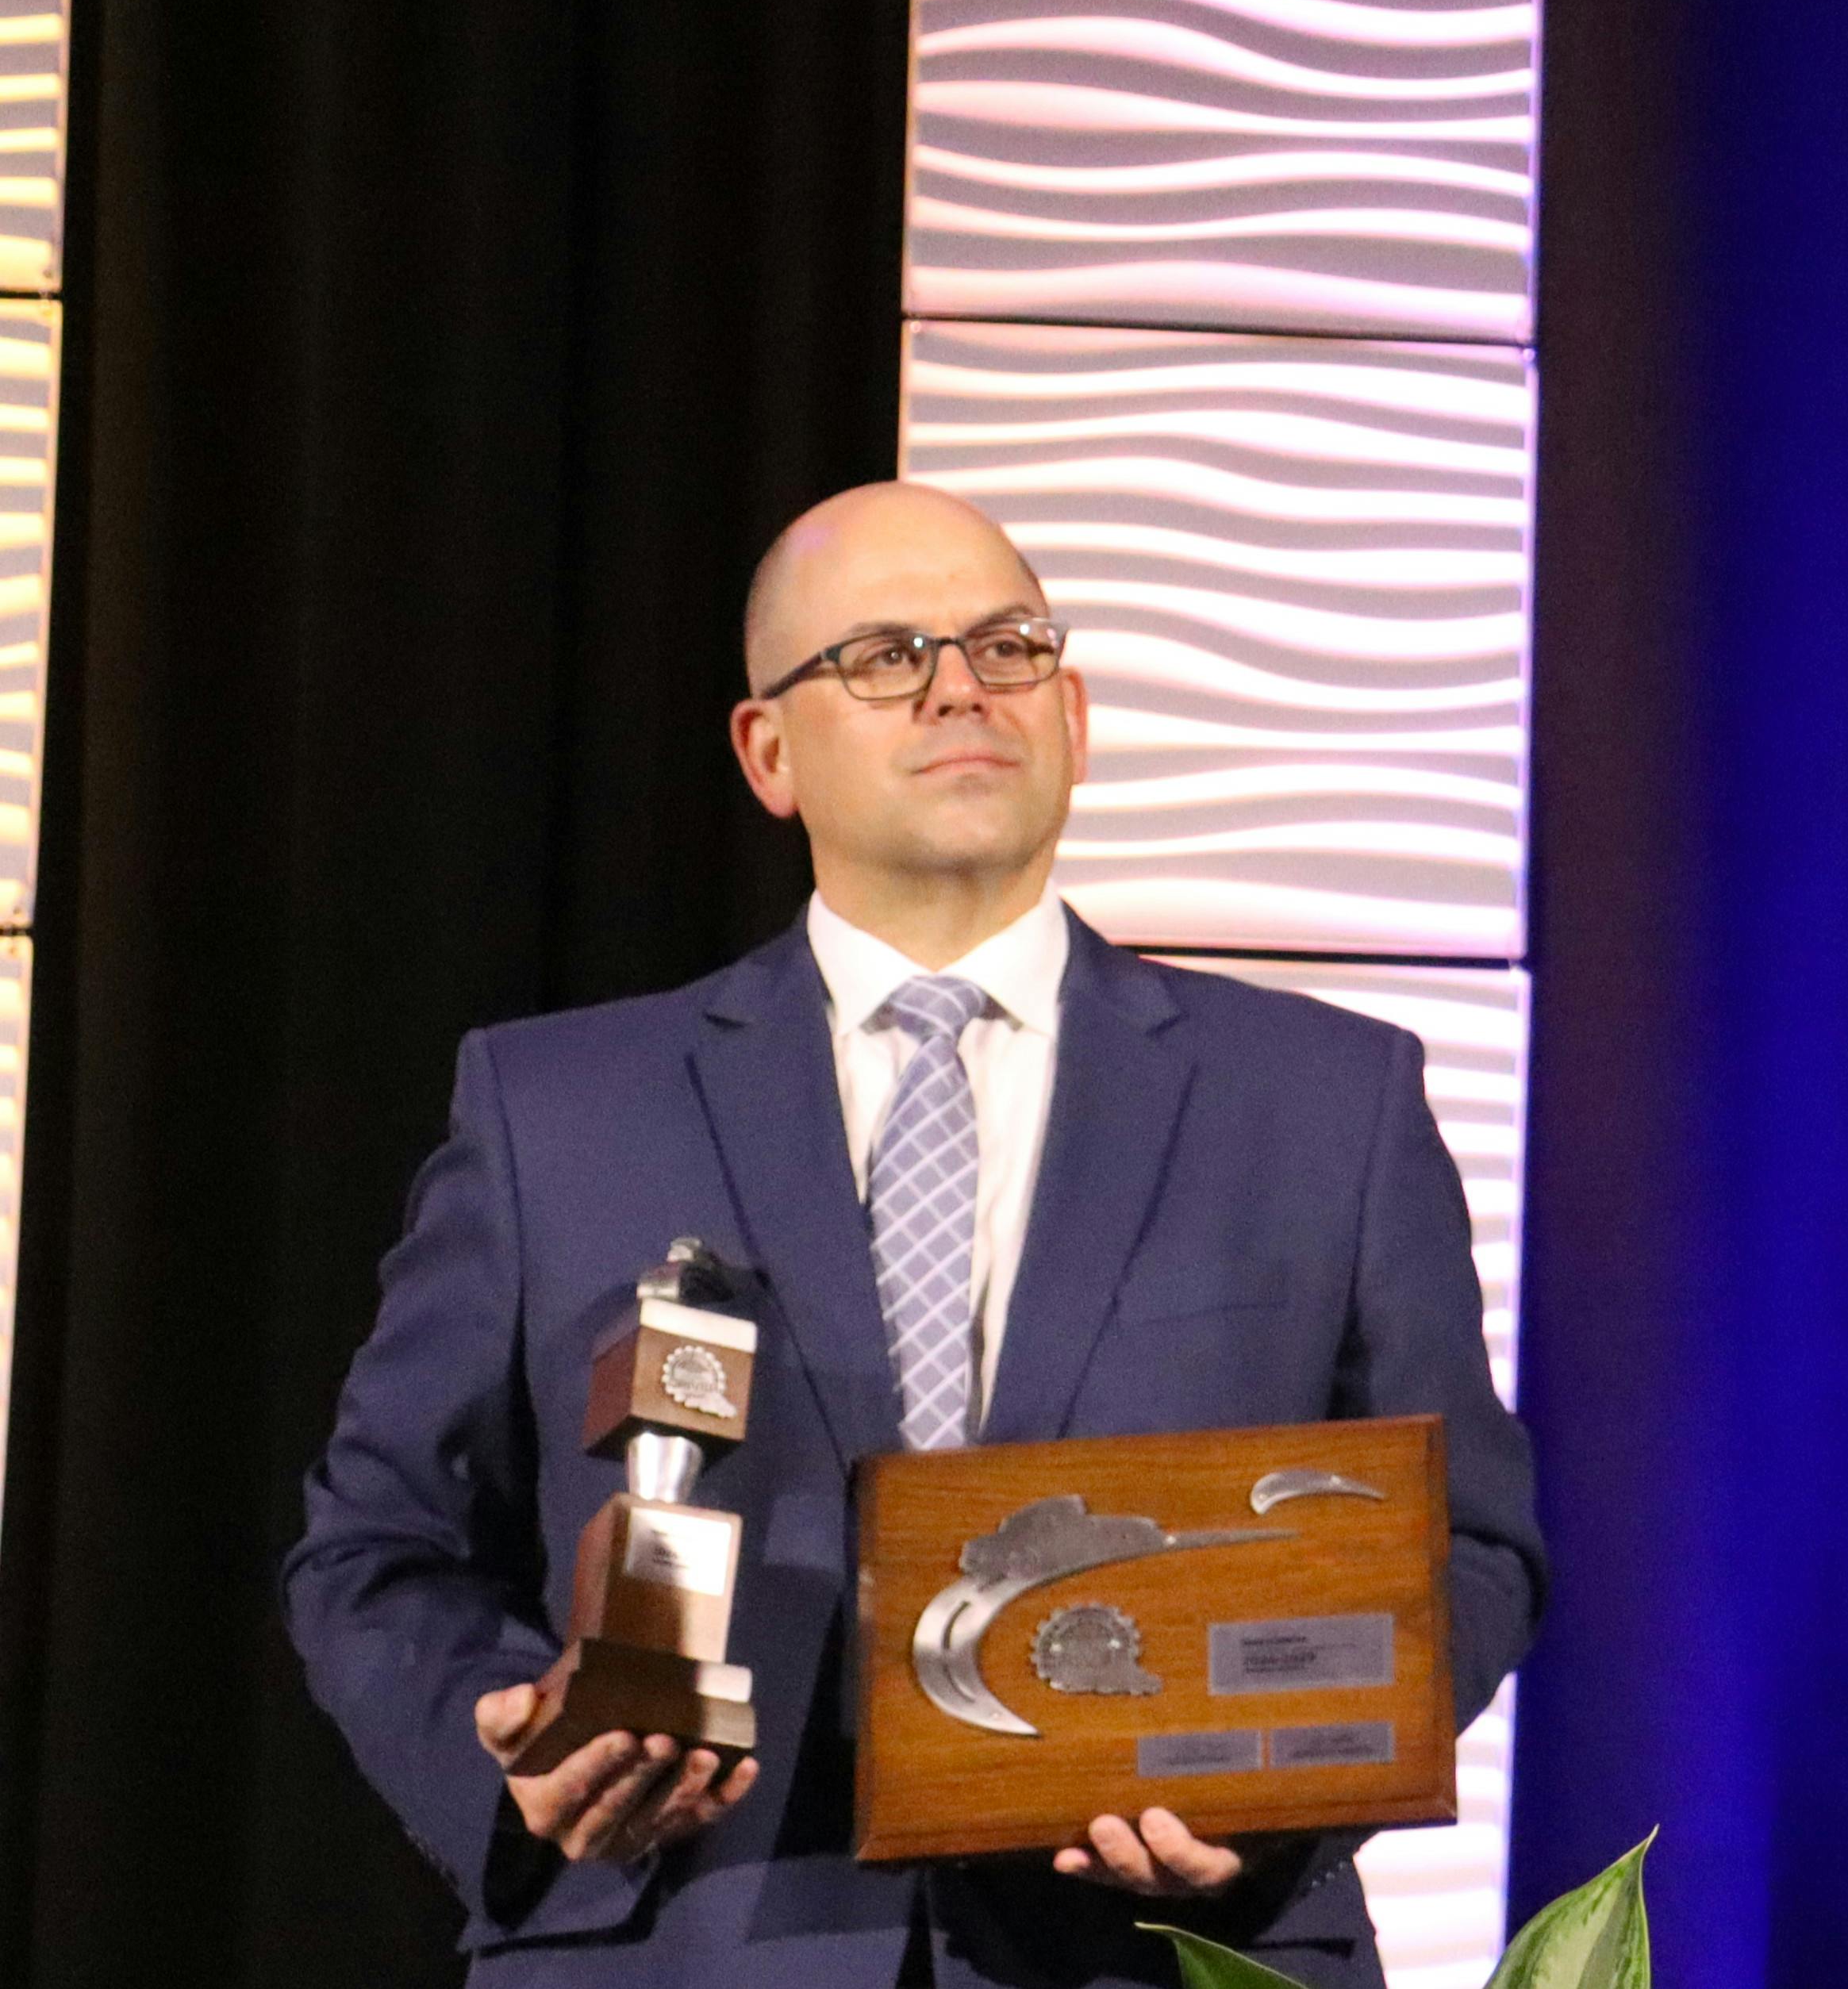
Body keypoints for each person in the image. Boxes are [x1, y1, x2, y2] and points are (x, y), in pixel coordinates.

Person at [286, 482, 1544, 1986]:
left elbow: (1470, 1541)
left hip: (1157, 1952)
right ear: (768, 752)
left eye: (1008, 647)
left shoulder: (1329, 1101)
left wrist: (1274, 1807)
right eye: (883, 655)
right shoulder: (558, 1109)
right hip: (684, 1944)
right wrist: (507, 1753)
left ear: (1071, 713)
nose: (961, 686)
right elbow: (378, 1546)